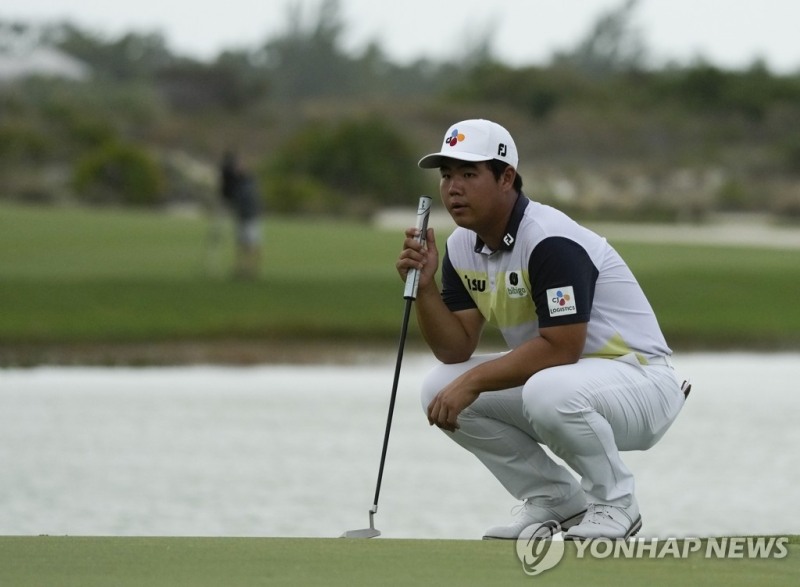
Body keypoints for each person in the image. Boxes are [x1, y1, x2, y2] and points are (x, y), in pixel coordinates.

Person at [396, 119, 689, 540]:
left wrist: (474, 382)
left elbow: (561, 348)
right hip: (568, 387)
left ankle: (616, 503)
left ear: (506, 178)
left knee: (541, 388)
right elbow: (455, 348)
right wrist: (425, 288)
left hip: (640, 381)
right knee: (440, 387)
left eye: (468, 174)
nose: (452, 188)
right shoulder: (462, 245)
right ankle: (555, 499)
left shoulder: (549, 239)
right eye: (446, 176)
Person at [219, 151, 262, 279]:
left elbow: (249, 198)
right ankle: (240, 268)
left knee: (252, 243)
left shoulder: (248, 181)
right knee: (241, 243)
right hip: (242, 216)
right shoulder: (238, 182)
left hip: (250, 216)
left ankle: (251, 269)